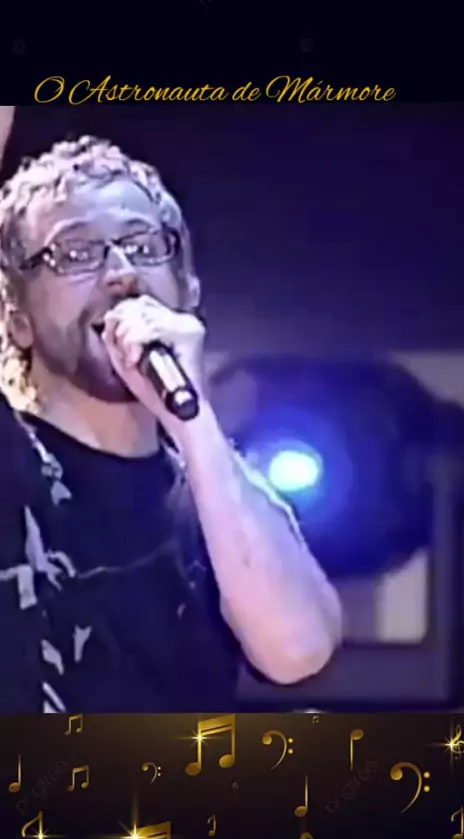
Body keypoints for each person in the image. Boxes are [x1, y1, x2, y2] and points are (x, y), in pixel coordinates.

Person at [0, 106, 342, 713]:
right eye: (75, 252)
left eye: (142, 246)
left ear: (188, 291)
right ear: (17, 318)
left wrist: (193, 419)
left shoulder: (216, 491)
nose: (121, 273)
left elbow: (298, 650)